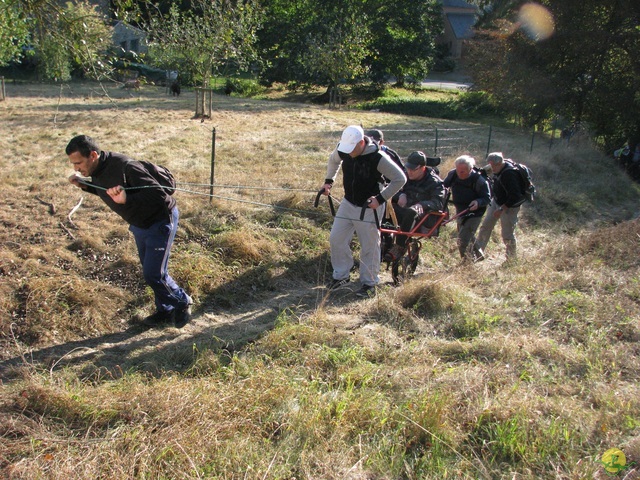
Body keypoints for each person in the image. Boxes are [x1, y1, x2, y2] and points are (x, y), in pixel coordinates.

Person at [66, 135, 192, 328]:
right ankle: (165, 310)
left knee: (154, 274)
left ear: (93, 155)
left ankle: (182, 301)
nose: (76, 168)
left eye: (79, 163)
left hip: (159, 221)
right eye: (74, 165)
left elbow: (158, 195)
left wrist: (127, 200)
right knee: (150, 270)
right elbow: (106, 190)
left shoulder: (126, 167)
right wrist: (85, 185)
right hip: (139, 224)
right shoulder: (97, 170)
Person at [321, 125, 406, 297]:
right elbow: (333, 159)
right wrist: (329, 181)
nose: (348, 153)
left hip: (369, 207)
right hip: (348, 202)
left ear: (361, 142)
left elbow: (400, 179)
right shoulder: (345, 148)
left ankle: (369, 283)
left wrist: (380, 199)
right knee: (336, 238)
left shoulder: (378, 157)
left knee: (369, 246)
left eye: (352, 149)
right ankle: (341, 275)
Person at [384, 151, 446, 261]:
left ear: (422, 168)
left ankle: (399, 247)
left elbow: (438, 202)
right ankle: (384, 241)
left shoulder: (435, 182)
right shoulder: (405, 176)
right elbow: (389, 189)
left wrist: (422, 205)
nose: (409, 172)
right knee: (383, 205)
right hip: (403, 212)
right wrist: (400, 195)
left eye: (413, 169)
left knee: (411, 211)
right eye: (408, 169)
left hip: (422, 218)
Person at [474, 152, 527, 262]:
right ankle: (477, 253)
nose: (491, 168)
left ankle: (511, 259)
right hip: (496, 201)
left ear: (499, 163)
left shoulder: (510, 174)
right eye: (489, 164)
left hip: (509, 206)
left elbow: (515, 196)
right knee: (485, 227)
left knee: (507, 233)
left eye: (493, 165)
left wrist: (502, 208)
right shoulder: (497, 167)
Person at [443, 155, 491, 261]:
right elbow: (443, 186)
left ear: (470, 169)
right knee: (467, 234)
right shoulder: (453, 174)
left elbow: (487, 198)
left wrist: (478, 202)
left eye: (463, 171)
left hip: (475, 212)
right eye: (458, 170)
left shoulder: (479, 180)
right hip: (460, 210)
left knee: (462, 239)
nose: (459, 173)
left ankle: (467, 263)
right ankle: (479, 256)